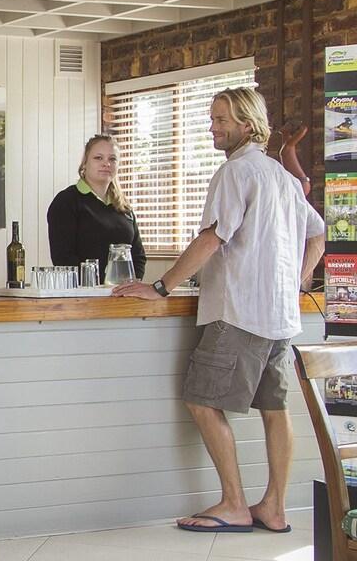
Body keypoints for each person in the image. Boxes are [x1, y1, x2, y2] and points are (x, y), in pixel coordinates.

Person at [111, 87, 324, 533]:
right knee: (275, 409)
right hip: (280, 317)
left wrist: (160, 286)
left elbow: (213, 237)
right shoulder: (281, 176)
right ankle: (275, 507)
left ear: (248, 124)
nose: (213, 127)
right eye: (212, 118)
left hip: (239, 312)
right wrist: (296, 281)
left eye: (221, 119)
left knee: (202, 400)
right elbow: (317, 235)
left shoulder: (235, 173)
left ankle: (233, 504)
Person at [46, 132, 145, 276]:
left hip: (124, 295)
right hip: (84, 294)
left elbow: (138, 257)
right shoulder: (66, 201)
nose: (106, 163)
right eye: (98, 158)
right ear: (85, 163)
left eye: (112, 159)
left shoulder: (124, 208)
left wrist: (130, 287)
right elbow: (63, 259)